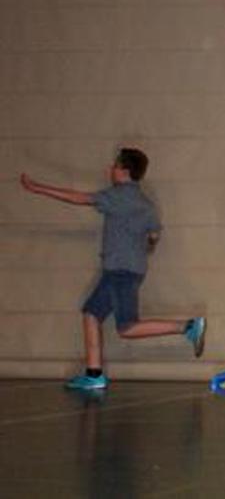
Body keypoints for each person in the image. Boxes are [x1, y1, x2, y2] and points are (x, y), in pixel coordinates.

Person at [20, 148, 206, 390]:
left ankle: (188, 327)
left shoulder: (117, 197)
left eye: (115, 166)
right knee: (91, 314)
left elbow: (80, 198)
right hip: (129, 271)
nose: (110, 169)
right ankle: (94, 374)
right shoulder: (146, 204)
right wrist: (146, 247)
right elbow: (154, 233)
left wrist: (39, 188)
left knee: (126, 327)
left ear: (125, 171)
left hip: (119, 272)